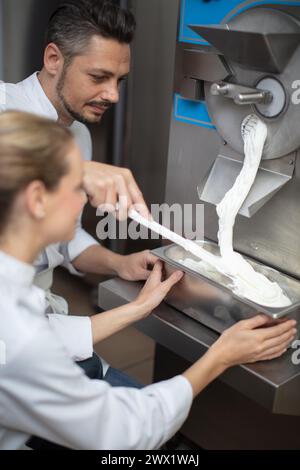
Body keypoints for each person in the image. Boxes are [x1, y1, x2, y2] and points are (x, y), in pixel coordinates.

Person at [0, 111, 296, 450]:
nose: (88, 201)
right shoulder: (19, 333)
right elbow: (124, 431)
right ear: (37, 199)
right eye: (76, 187)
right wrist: (221, 356)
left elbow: (44, 332)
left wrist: (137, 308)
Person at [0, 0, 158, 383]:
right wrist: (71, 171)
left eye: (119, 81)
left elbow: (65, 239)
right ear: (54, 58)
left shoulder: (80, 136)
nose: (113, 95)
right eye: (99, 77)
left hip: (51, 325)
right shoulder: (4, 105)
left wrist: (119, 264)